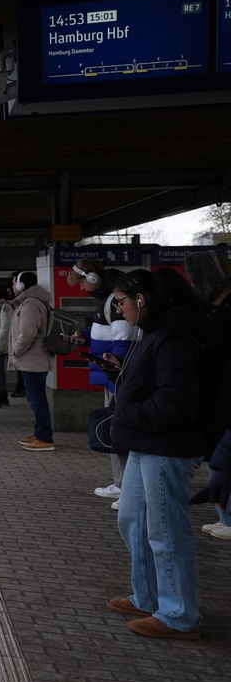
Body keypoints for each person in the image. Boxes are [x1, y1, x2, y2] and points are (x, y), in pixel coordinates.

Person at [106, 268, 211, 640]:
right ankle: (148, 594)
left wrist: (126, 412)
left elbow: (174, 403)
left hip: (167, 446)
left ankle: (179, 615)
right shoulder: (158, 334)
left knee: (166, 530)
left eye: (120, 302)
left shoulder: (175, 338)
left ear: (141, 300)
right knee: (133, 518)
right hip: (147, 443)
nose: (119, 310)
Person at [71, 258, 134, 500]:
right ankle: (122, 484)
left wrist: (114, 364)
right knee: (115, 428)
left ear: (92, 279)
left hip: (115, 375)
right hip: (111, 374)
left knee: (119, 430)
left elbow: (124, 337)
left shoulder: (112, 301)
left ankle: (126, 488)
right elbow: (108, 333)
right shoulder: (106, 301)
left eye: (80, 282)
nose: (80, 288)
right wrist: (86, 338)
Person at [8, 270, 55, 450]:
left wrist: (16, 352)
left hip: (32, 359)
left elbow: (27, 333)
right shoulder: (32, 302)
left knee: (37, 400)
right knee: (36, 398)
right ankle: (39, 433)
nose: (13, 287)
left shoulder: (30, 304)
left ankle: (44, 438)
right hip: (32, 359)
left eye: (14, 283)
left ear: (21, 285)